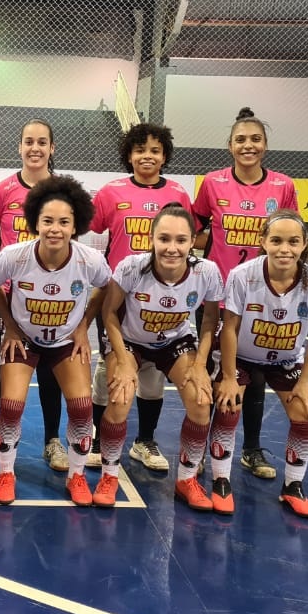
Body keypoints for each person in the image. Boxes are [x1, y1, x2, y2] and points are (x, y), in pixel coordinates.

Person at [0, 176, 112, 506]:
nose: (55, 229)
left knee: (82, 408)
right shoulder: (15, 255)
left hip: (65, 341)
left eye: (63, 222)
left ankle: (77, 476)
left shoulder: (90, 260)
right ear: (34, 223)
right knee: (11, 406)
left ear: (76, 226)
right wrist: (11, 328)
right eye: (47, 221)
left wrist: (84, 325)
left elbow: (105, 287)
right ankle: (6, 473)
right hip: (24, 339)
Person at [192, 107, 299, 481]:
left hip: (262, 297)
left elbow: (290, 235)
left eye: (255, 139)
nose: (247, 146)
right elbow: (194, 225)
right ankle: (201, 450)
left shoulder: (283, 186)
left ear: (265, 145)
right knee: (208, 373)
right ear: (229, 146)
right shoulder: (212, 183)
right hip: (216, 296)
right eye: (240, 140)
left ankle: (250, 449)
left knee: (254, 374)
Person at [98, 204, 224, 511]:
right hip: (130, 339)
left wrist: (198, 365)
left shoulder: (206, 271)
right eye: (164, 239)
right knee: (120, 395)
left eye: (180, 240)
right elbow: (109, 312)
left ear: (193, 241)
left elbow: (209, 322)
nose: (172, 248)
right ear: (151, 239)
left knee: (200, 399)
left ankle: (186, 478)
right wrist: (123, 359)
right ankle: (109, 475)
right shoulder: (131, 267)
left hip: (175, 340)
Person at [212, 210, 308, 518]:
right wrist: (228, 376)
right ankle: (220, 479)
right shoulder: (244, 275)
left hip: (286, 358)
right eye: (277, 240)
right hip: (240, 354)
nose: (285, 249)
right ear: (263, 241)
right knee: (229, 405)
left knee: (305, 413)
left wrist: (305, 381)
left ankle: (293, 486)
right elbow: (228, 327)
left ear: (304, 244)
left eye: (293, 242)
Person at [88, 122, 192, 472]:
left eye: (155, 150)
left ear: (165, 156)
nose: (147, 156)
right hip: (120, 297)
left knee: (152, 375)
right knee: (111, 367)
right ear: (128, 155)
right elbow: (94, 233)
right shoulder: (110, 192)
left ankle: (144, 441)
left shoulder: (178, 193)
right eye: (140, 150)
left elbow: (185, 241)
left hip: (165, 297)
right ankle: (99, 438)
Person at [0, 120, 67, 472]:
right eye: (29, 142)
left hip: (51, 296)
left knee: (51, 369)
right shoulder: (2, 190)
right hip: (6, 295)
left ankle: (52, 441)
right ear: (19, 147)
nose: (35, 148)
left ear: (52, 148)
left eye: (42, 142)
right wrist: (15, 267)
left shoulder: (63, 192)